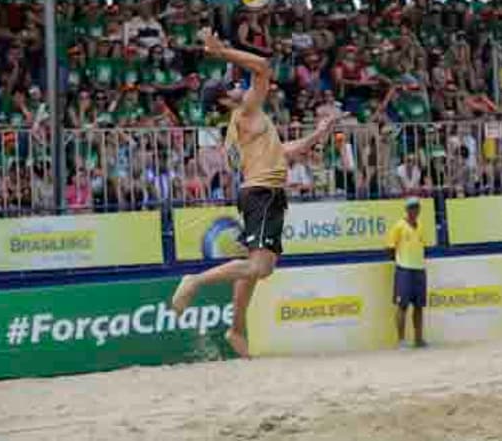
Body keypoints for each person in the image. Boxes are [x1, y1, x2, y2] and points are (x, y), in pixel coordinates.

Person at [170, 31, 345, 358]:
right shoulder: (246, 111)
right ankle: (194, 281)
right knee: (261, 268)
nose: (240, 87)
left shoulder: (239, 126)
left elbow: (281, 151)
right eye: (234, 86)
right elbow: (263, 66)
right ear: (225, 98)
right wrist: (222, 51)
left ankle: (236, 329)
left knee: (253, 266)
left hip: (260, 193)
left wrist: (317, 135)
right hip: (262, 193)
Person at [387, 197, 427, 349]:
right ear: (406, 210)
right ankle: (401, 340)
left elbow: (423, 246)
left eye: (417, 208)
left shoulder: (420, 226)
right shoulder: (399, 226)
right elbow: (390, 248)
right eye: (412, 208)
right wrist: (400, 262)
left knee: (419, 306)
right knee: (402, 305)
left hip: (419, 268)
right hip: (404, 269)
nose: (415, 210)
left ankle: (418, 339)